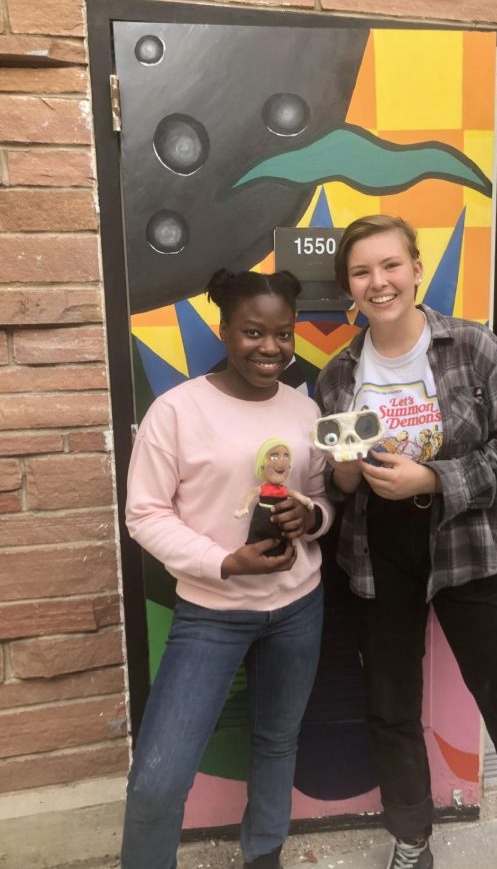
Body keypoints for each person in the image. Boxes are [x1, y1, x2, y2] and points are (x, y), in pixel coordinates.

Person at [314, 215, 497, 869]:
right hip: (378, 550)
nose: (377, 282)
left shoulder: (473, 348)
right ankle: (411, 839)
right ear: (347, 287)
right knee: (389, 707)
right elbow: (339, 479)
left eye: (389, 265)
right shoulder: (338, 373)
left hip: (469, 543)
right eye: (361, 272)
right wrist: (348, 472)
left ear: (415, 268)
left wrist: (433, 478)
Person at [122, 268, 333, 869]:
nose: (270, 348)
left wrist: (308, 516)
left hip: (298, 607)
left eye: (283, 334)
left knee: (275, 741)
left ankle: (263, 854)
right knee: (159, 778)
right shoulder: (177, 411)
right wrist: (223, 561)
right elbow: (145, 514)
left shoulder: (303, 408)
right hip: (211, 615)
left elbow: (323, 498)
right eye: (252, 332)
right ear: (224, 330)